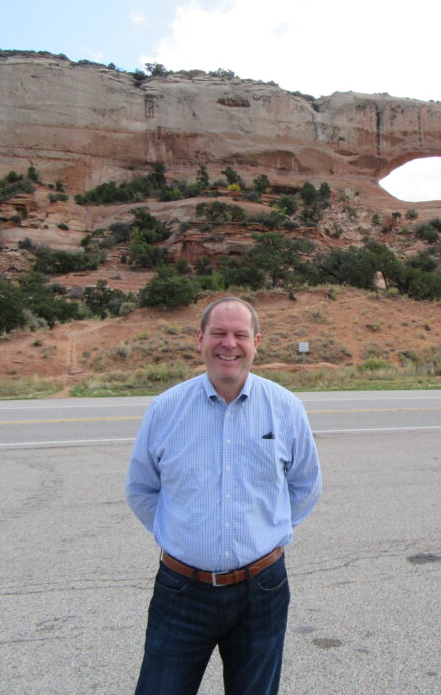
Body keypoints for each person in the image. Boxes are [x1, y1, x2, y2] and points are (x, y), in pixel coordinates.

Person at [126, 296, 322, 695]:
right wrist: (181, 535)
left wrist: (267, 530)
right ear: (200, 339)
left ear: (255, 343)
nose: (228, 344)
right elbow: (142, 489)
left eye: (240, 335)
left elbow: (305, 485)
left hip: (262, 591)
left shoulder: (286, 408)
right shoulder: (166, 410)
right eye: (218, 333)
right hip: (181, 591)